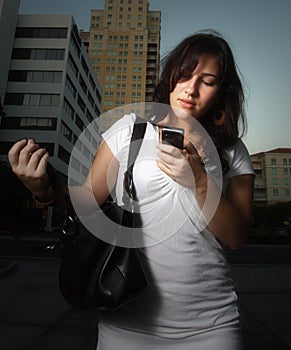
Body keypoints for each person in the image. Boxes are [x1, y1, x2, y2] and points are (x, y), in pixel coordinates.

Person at [8, 30, 255, 350]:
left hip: (211, 326)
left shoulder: (232, 151)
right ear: (171, 76)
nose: (191, 89)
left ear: (221, 92)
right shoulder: (129, 131)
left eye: (207, 81)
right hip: (126, 325)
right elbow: (86, 205)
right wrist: (42, 188)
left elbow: (237, 238)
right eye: (185, 74)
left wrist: (199, 179)